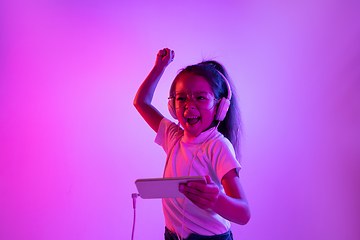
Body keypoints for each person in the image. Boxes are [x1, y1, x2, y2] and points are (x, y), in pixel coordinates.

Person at [134, 48, 250, 240]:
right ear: (172, 106)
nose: (190, 105)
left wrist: (217, 200)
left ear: (219, 108)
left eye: (201, 97)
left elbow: (243, 213)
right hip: (173, 235)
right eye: (182, 98)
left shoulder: (218, 146)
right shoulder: (173, 137)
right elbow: (141, 102)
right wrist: (159, 68)